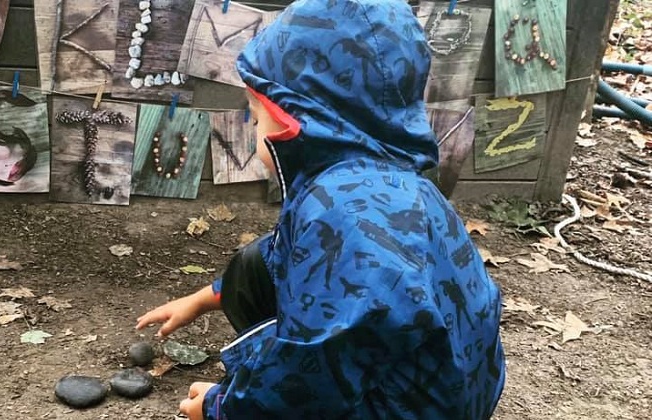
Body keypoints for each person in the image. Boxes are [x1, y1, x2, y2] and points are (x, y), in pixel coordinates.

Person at [136, 0, 506, 418]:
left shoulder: (345, 217)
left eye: (256, 118)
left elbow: (313, 375)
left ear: (291, 120)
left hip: (419, 410)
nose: (255, 131)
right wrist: (201, 299)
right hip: (446, 377)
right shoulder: (381, 179)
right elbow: (279, 257)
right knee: (257, 261)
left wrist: (222, 407)